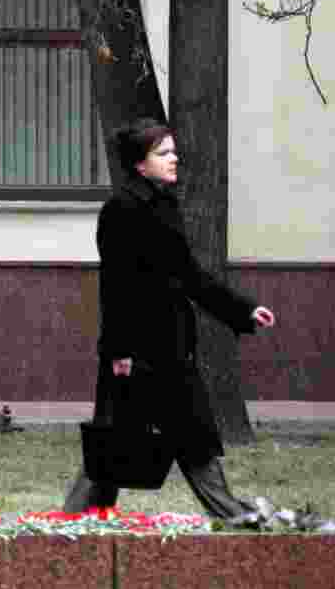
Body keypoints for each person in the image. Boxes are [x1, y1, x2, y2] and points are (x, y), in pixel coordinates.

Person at [62, 117, 277, 521]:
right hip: (137, 356)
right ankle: (73, 526)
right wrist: (120, 352)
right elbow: (116, 287)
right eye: (164, 153)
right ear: (140, 165)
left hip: (173, 349)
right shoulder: (121, 210)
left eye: (173, 151)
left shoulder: (164, 205)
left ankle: (235, 516)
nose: (174, 158)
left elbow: (191, 276)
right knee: (114, 447)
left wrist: (243, 310)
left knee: (194, 440)